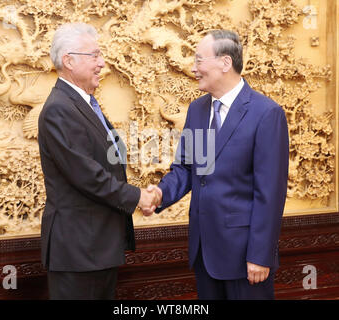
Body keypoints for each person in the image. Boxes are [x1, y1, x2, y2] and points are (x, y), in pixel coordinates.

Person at [147, 30, 289, 300]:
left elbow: (270, 193)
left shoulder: (267, 113)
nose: (193, 68)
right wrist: (159, 194)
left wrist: (260, 255)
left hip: (246, 257)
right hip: (204, 252)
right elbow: (187, 168)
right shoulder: (197, 110)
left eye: (199, 60)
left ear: (225, 63)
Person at [38, 23, 158, 300]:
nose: (102, 63)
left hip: (96, 247)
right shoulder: (59, 108)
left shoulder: (83, 104)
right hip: (79, 250)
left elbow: (107, 164)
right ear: (69, 60)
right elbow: (87, 175)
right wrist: (138, 197)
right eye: (94, 55)